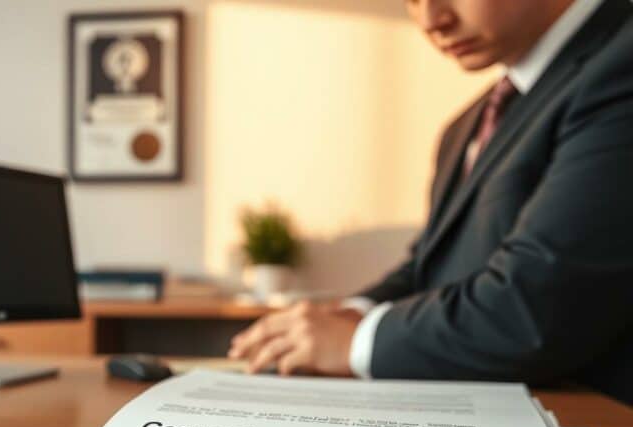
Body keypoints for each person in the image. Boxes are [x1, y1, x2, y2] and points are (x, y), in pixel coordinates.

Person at [228, 0, 633, 404]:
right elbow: (428, 266)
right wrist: (349, 314)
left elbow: (538, 306)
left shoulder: (620, 65)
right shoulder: (466, 126)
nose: (431, 20)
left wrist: (357, 341)